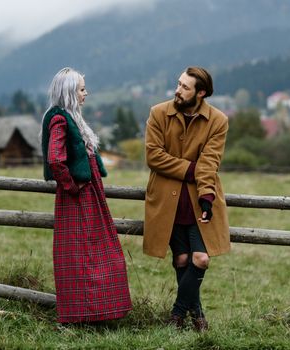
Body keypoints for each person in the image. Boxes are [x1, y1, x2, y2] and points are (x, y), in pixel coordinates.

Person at [41, 67, 132, 324]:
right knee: (82, 255)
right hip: (78, 198)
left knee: (99, 252)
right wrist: (72, 187)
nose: (86, 93)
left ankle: (98, 312)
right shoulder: (59, 118)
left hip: (89, 196)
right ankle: (84, 314)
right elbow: (56, 160)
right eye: (82, 89)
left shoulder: (72, 117)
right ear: (70, 92)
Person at [144, 66, 230, 332]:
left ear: (201, 93)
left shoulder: (218, 121)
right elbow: (153, 156)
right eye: (178, 84)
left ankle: (177, 314)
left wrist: (206, 193)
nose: (177, 90)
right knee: (181, 260)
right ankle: (198, 319)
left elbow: (210, 162)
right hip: (167, 201)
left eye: (185, 87)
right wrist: (191, 168)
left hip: (198, 200)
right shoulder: (158, 113)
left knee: (201, 258)